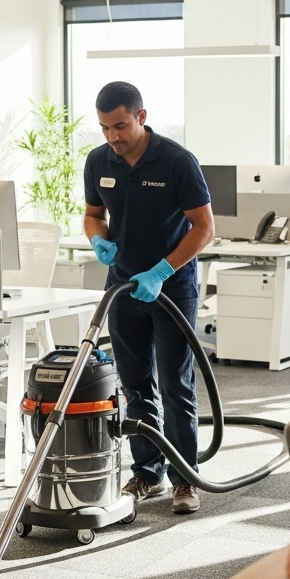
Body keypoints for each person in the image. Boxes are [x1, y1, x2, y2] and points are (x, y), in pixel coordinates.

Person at [83, 81, 215, 515]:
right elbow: (92, 215)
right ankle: (147, 472)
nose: (113, 137)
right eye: (104, 128)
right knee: (135, 382)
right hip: (122, 287)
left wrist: (162, 270)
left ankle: (184, 479)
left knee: (175, 383)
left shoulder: (177, 161)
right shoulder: (99, 161)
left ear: (141, 116)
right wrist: (97, 241)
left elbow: (204, 228)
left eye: (120, 126)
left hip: (169, 286)